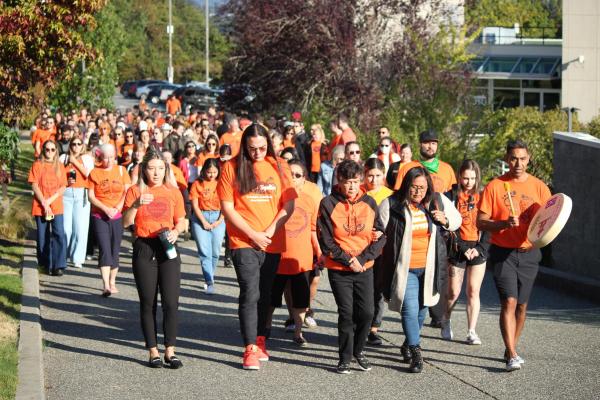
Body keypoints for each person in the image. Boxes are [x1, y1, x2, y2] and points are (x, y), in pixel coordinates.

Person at [217, 123, 296, 370]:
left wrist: (270, 231)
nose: (258, 153)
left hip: (271, 241)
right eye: (252, 149)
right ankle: (249, 347)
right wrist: (253, 234)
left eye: (262, 148)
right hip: (243, 241)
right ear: (245, 147)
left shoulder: (280, 166)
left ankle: (261, 339)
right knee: (250, 292)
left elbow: (288, 205)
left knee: (266, 294)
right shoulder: (231, 167)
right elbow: (228, 208)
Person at [377, 166, 461, 373]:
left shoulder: (437, 200)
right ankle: (416, 352)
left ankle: (407, 343)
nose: (418, 192)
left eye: (422, 188)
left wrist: (446, 220)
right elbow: (378, 230)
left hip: (430, 267)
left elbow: (457, 220)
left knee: (423, 311)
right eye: (414, 187)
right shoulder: (391, 204)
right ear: (406, 185)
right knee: (410, 309)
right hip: (404, 269)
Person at [477, 139, 551, 372]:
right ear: (506, 159)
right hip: (502, 253)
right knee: (508, 301)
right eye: (513, 158)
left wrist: (537, 241)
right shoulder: (495, 186)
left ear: (529, 159)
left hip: (529, 253)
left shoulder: (540, 187)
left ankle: (511, 348)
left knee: (521, 305)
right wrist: (503, 223)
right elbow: (481, 221)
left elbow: (551, 221)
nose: (517, 163)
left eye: (522, 158)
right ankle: (512, 353)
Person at [317, 160, 386, 374]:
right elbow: (326, 241)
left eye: (356, 182)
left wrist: (362, 260)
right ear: (339, 182)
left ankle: (359, 350)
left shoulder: (370, 203)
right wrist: (348, 260)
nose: (352, 187)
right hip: (340, 269)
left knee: (367, 312)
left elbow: (381, 235)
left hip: (365, 266)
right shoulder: (328, 203)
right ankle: (345, 357)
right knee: (346, 313)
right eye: (347, 182)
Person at [123, 147, 186, 369]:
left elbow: (182, 220)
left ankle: (170, 350)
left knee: (171, 301)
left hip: (167, 246)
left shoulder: (173, 191)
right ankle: (153, 351)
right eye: (151, 168)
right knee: (148, 302)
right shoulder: (134, 191)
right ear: (144, 170)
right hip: (144, 247)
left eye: (160, 168)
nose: (156, 173)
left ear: (166, 169)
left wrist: (176, 232)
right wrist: (136, 205)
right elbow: (125, 223)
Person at [393, 129, 457, 328]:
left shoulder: (446, 169)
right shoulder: (408, 168)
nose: (430, 146)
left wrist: (446, 220)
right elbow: (397, 196)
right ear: (419, 144)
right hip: (412, 224)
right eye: (427, 142)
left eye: (434, 143)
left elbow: (453, 199)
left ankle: (437, 314)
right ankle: (415, 318)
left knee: (438, 270)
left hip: (438, 227)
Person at [266, 160, 322, 346]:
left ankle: (298, 332)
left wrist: (319, 253)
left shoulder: (309, 200)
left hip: (302, 260)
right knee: (271, 299)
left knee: (300, 301)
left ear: (304, 179)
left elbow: (313, 229)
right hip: (277, 256)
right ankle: (264, 329)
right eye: (290, 174)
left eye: (298, 175)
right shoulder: (276, 198)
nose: (294, 178)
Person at [441, 160, 489, 344]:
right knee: (453, 291)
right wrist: (463, 248)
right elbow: (446, 226)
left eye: (472, 178)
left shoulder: (483, 196)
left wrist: (479, 249)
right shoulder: (451, 196)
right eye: (465, 178)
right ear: (459, 176)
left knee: (473, 291)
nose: (469, 182)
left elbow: (489, 225)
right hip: (457, 247)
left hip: (477, 248)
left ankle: (471, 331)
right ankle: (446, 320)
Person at [88, 144, 132, 296]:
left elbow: (127, 191)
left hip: (117, 215)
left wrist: (118, 207)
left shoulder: (122, 170)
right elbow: (91, 196)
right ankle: (106, 285)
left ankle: (113, 282)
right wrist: (105, 209)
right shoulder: (94, 173)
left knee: (115, 249)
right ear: (100, 157)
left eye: (112, 157)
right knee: (104, 249)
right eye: (106, 157)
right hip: (100, 215)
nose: (109, 160)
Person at [361, 158, 394, 345]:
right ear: (364, 176)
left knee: (379, 290)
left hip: (383, 249)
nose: (374, 179)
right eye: (370, 175)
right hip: (363, 247)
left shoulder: (390, 195)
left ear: (384, 175)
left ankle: (374, 328)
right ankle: (362, 325)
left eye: (378, 175)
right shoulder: (358, 192)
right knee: (365, 288)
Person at [29, 140, 68, 276]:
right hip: (41, 206)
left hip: (56, 206)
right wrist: (44, 203)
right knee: (42, 236)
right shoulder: (37, 165)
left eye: (52, 149)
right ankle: (45, 264)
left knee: (59, 234)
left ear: (56, 151)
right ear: (43, 150)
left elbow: (63, 186)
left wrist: (50, 201)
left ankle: (58, 265)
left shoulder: (60, 166)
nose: (50, 152)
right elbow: (34, 185)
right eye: (47, 149)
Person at [189, 158, 226, 294]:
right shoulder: (197, 184)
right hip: (200, 217)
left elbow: (226, 204)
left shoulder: (222, 184)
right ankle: (209, 281)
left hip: (218, 217)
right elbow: (195, 205)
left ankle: (211, 274)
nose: (211, 175)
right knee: (205, 251)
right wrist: (204, 221)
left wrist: (219, 220)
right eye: (209, 172)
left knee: (215, 251)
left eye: (214, 172)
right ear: (204, 170)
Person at [59, 137, 95, 269]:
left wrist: (75, 162)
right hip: (66, 194)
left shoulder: (87, 159)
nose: (75, 146)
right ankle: (63, 254)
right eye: (73, 144)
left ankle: (77, 258)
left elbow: (89, 175)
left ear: (82, 146)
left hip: (81, 194)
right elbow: (57, 174)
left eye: (78, 144)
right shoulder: (63, 158)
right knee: (66, 229)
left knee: (80, 229)